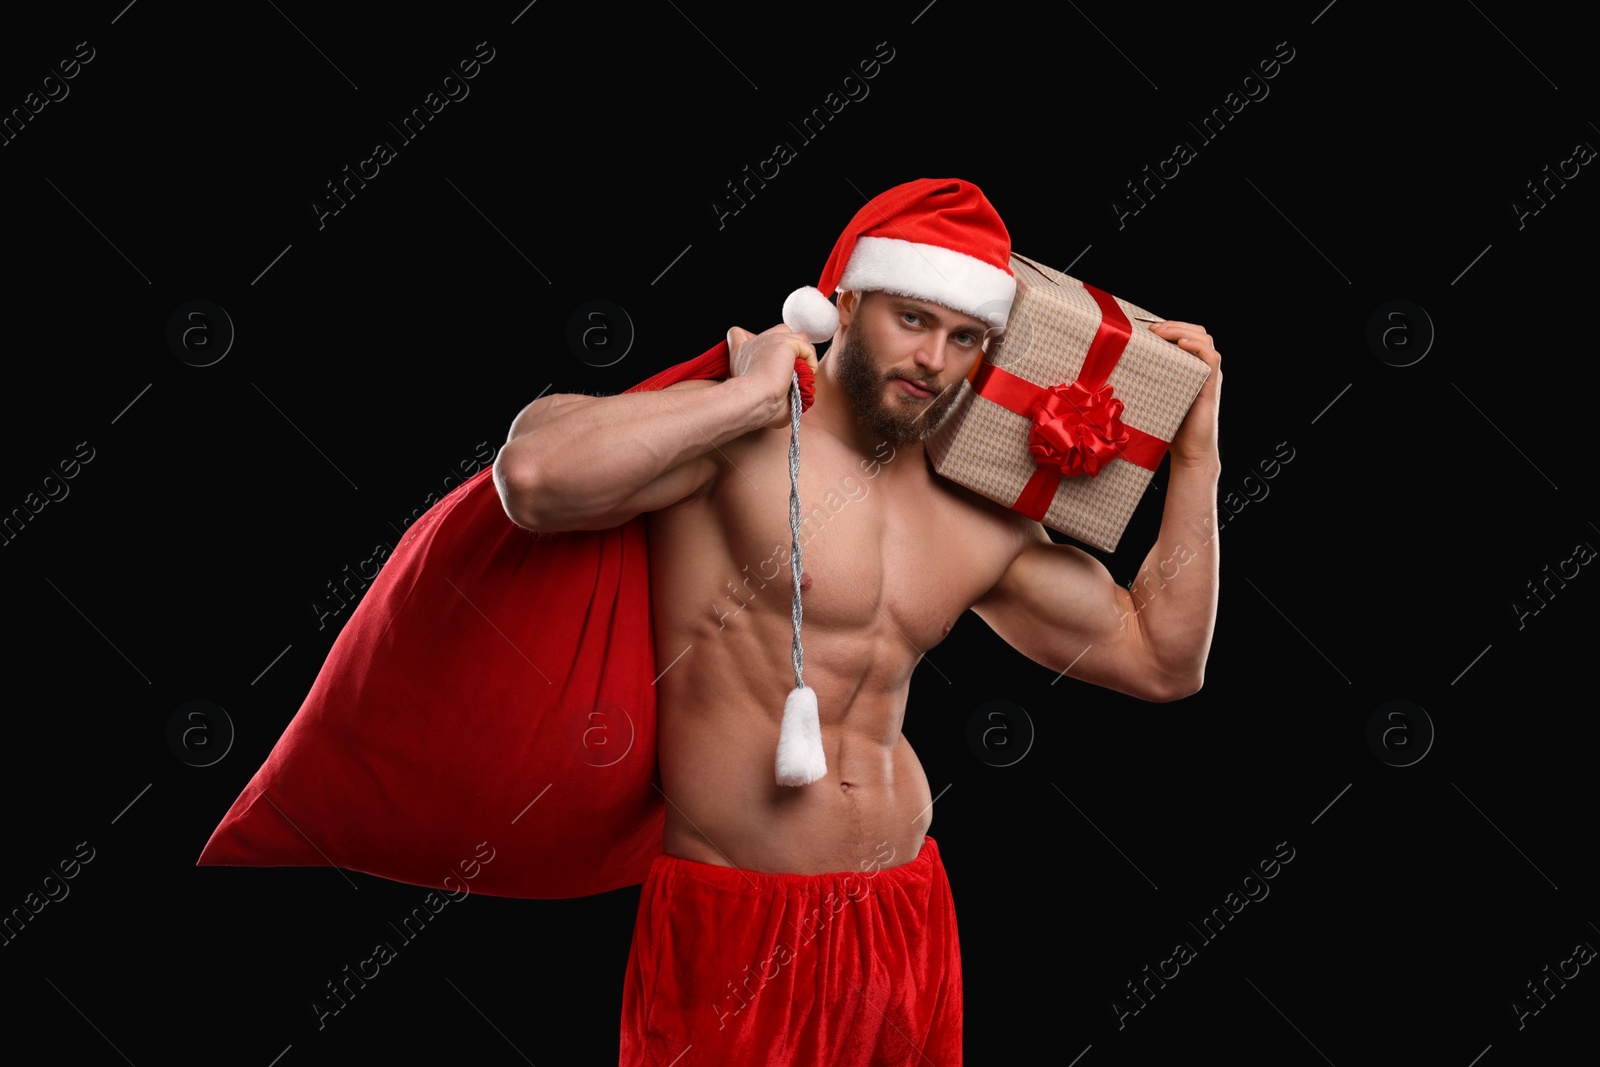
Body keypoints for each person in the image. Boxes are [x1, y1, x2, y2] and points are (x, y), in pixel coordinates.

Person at [492, 178, 1222, 1065]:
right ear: (846, 297)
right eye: (911, 319)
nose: (935, 360)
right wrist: (747, 395)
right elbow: (532, 479)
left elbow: (1162, 658)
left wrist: (1196, 453)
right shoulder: (731, 436)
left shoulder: (976, 505)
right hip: (744, 929)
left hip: (904, 912)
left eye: (965, 337)